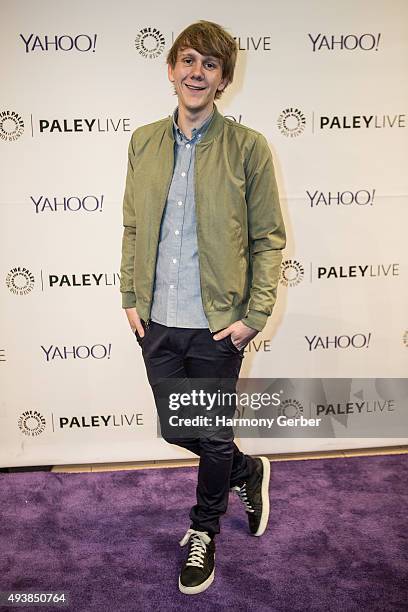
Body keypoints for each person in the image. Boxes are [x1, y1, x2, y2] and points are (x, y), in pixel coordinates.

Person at [119, 20, 286, 595]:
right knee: (176, 428)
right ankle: (247, 469)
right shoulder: (143, 141)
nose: (196, 72)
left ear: (223, 80)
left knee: (211, 437)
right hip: (157, 320)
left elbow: (268, 238)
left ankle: (203, 530)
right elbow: (133, 226)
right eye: (187, 60)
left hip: (219, 326)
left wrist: (255, 316)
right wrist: (129, 297)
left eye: (209, 64)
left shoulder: (248, 148)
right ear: (171, 71)